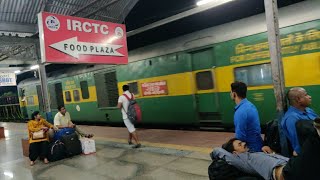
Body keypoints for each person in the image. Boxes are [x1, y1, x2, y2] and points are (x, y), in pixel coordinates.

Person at [213, 138, 288, 180]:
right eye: (240, 144)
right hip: (283, 173)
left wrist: (272, 152)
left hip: (288, 163)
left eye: (242, 142)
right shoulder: (241, 160)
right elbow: (217, 150)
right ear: (235, 153)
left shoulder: (254, 153)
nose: (244, 143)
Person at [281, 87, 318, 156]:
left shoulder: (308, 110)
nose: (310, 97)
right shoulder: (292, 119)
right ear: (298, 99)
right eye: (306, 95)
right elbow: (299, 145)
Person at [230, 81, 263, 152]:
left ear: (234, 94)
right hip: (258, 144)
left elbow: (240, 137)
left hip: (250, 150)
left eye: (230, 92)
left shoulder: (240, 111)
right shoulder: (250, 105)